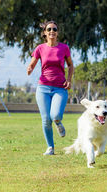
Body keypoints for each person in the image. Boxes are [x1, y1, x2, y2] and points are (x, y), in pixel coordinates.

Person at [27, 20, 74, 155]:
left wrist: (69, 80)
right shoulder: (40, 48)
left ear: (57, 32)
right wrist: (30, 69)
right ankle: (50, 147)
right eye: (49, 29)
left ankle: (58, 123)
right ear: (45, 33)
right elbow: (32, 63)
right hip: (43, 88)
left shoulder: (64, 48)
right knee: (46, 119)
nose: (52, 31)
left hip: (60, 87)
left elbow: (70, 65)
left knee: (56, 115)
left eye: (54, 29)